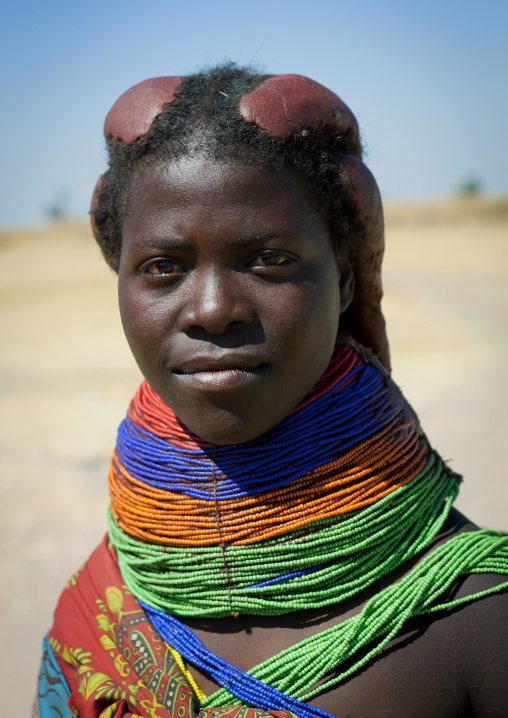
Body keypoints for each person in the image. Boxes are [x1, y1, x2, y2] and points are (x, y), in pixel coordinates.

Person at [36, 65, 508, 718]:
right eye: (162, 267)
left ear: (344, 278)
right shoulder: (102, 603)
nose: (212, 308)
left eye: (269, 260)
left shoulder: (476, 615)